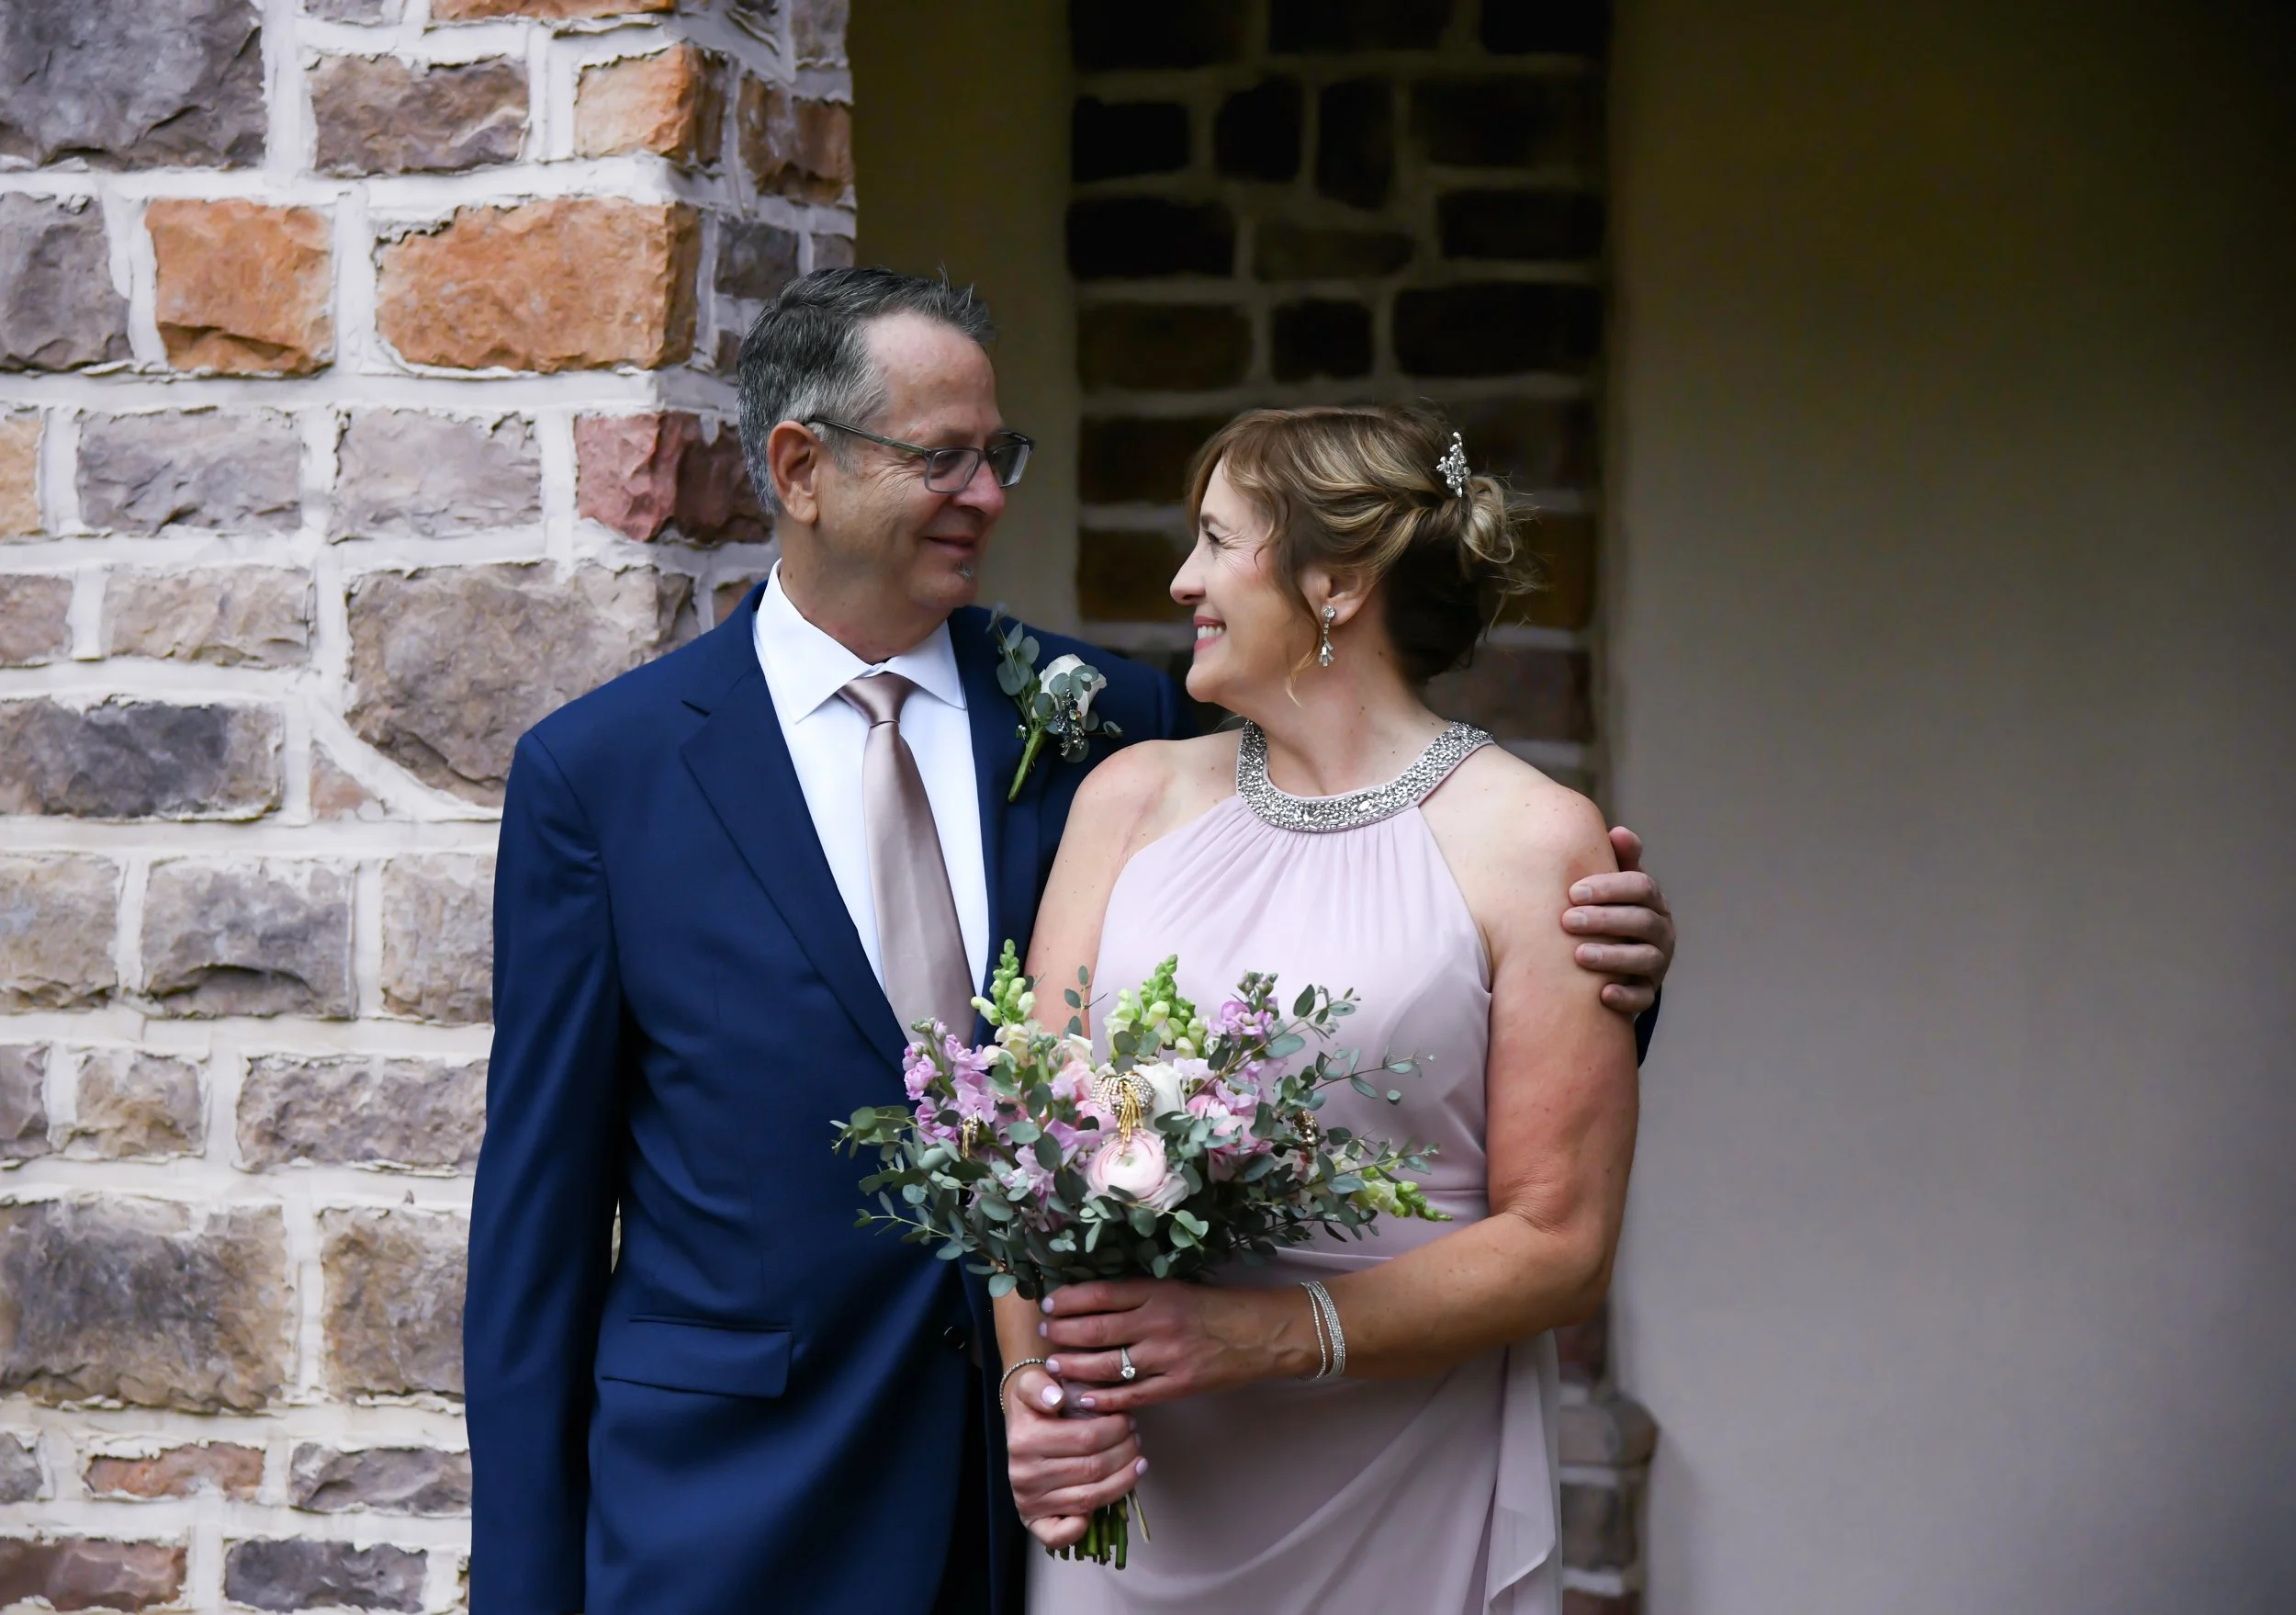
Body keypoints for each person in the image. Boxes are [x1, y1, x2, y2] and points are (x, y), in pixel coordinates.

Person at [466, 269, 1675, 1615]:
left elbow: (1375, 973)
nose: (989, 494)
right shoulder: (606, 775)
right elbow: (540, 1228)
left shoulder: (1114, 721)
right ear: (802, 469)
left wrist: (1610, 963)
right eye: (944, 458)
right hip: (743, 1502)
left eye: (1002, 455)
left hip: (1070, 1493)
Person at [1003, 404, 1642, 1615]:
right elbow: (1031, 1154)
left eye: (1216, 540)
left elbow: (1560, 1240)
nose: (1183, 578)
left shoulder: (1531, 839)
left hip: (1396, 1472)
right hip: (1147, 1489)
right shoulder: (1127, 801)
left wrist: (1266, 1332)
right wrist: (1032, 1392)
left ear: (1335, 583)